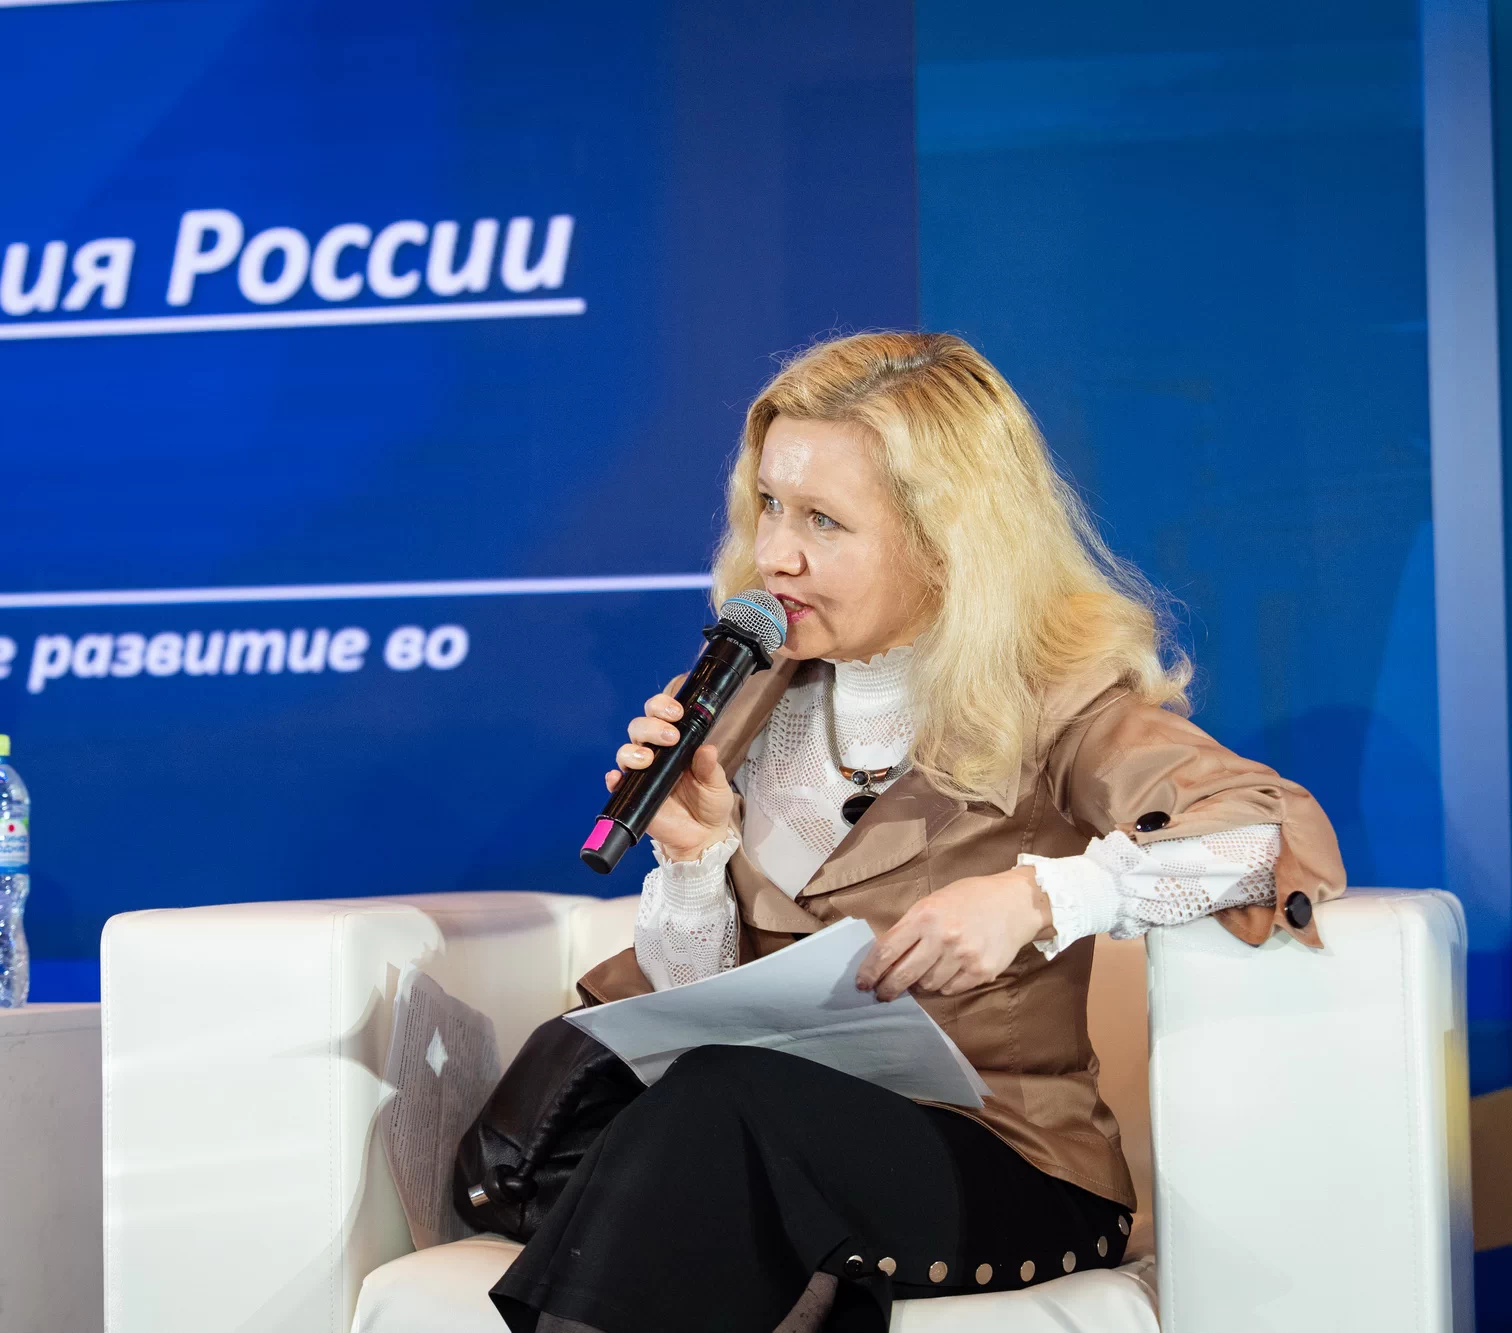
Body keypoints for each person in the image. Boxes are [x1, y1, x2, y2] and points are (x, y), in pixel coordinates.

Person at [489, 332, 1344, 1333]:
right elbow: (695, 1007)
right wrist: (692, 860)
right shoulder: (738, 694)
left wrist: (1042, 896)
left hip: (1001, 1157)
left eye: (822, 520)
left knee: (717, 1113)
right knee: (613, 1118)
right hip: (763, 1135)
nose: (776, 553)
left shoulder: (1054, 698)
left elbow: (1263, 830)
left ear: (945, 541)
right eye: (770, 504)